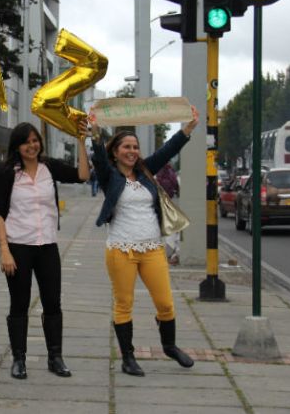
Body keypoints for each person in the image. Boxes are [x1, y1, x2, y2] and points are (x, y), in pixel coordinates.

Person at [91, 106, 199, 377]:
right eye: (126, 146)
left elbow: (167, 151)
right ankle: (128, 357)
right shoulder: (110, 175)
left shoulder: (144, 171)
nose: (132, 151)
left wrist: (187, 128)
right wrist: (94, 132)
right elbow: (99, 160)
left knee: (165, 302)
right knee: (124, 303)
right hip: (121, 249)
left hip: (152, 248)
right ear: (115, 151)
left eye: (135, 147)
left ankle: (169, 346)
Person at [0, 121, 89, 380]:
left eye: (35, 140)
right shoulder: (7, 173)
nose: (32, 146)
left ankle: (55, 357)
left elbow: (82, 175)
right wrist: (4, 250)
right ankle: (19, 359)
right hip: (18, 246)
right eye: (26, 142)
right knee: (19, 304)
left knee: (52, 303)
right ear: (17, 146)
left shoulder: (50, 167)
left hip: (47, 245)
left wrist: (81, 141)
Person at [155, 162, 181, 265]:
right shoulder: (172, 172)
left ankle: (166, 253)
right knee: (172, 230)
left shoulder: (157, 172)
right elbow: (176, 186)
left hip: (159, 202)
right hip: (170, 201)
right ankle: (170, 253)